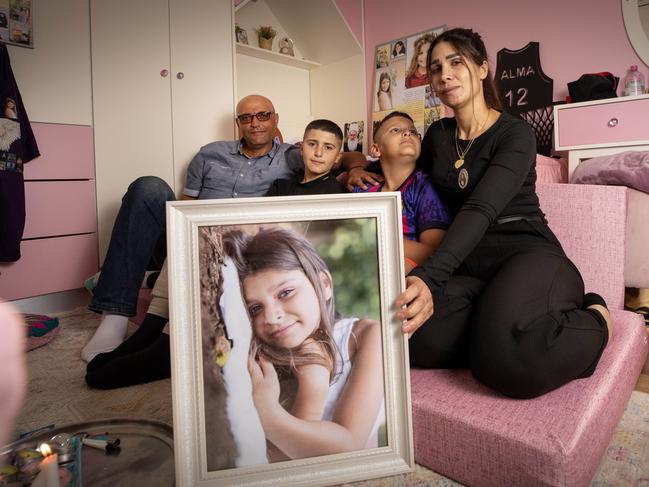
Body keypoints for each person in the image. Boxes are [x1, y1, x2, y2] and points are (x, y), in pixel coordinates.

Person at [350, 28, 612, 399]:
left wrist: (428, 278)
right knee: (406, 336)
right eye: (437, 68)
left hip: (526, 253)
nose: (445, 75)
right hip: (472, 266)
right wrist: (354, 166)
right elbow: (398, 164)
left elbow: (480, 208)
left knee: (508, 364)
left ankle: (596, 318)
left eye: (456, 62)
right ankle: (495, 328)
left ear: (482, 67)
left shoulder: (514, 134)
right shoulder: (440, 136)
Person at [82, 94, 365, 365]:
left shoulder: (292, 156)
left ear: (275, 119)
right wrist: (186, 230)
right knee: (148, 186)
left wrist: (355, 168)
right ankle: (115, 315)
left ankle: (145, 278)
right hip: (188, 233)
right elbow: (185, 203)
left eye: (263, 115)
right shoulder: (210, 153)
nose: (255, 123)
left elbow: (341, 156)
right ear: (238, 123)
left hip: (229, 242)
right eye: (246, 117)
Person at [222, 226, 384, 460]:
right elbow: (277, 462)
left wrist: (268, 413)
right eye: (255, 308)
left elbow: (349, 446)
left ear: (325, 284)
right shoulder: (260, 360)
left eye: (285, 293)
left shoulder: (366, 336)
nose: (271, 317)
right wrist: (314, 384)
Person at [354, 111, 449, 273]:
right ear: (376, 149)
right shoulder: (363, 189)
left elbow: (436, 254)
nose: (407, 133)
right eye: (395, 130)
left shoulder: (424, 187)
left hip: (405, 271)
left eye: (413, 132)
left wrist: (377, 240)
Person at [266, 119, 347, 196]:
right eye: (312, 144)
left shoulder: (339, 195)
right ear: (301, 148)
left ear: (337, 157)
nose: (318, 153)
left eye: (328, 147)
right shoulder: (280, 188)